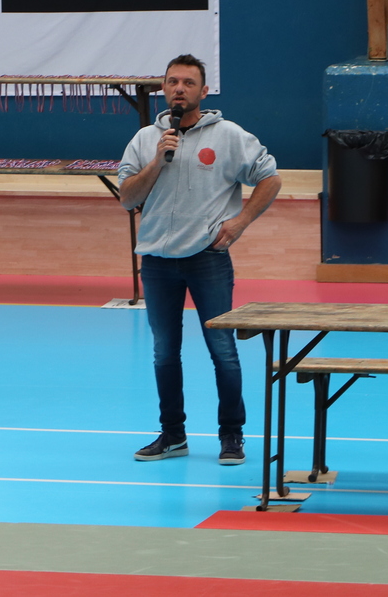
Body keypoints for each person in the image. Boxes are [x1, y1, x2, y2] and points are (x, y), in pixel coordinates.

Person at [117, 54, 281, 467]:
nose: (179, 89)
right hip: (157, 261)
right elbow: (127, 197)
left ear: (204, 91)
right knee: (164, 353)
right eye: (173, 82)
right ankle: (173, 435)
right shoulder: (145, 139)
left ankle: (232, 435)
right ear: (163, 88)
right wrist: (158, 161)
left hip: (208, 259)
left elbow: (270, 178)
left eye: (188, 83)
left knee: (223, 349)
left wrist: (241, 221)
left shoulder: (228, 136)